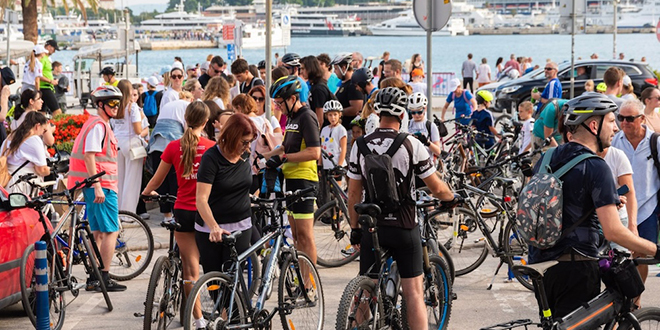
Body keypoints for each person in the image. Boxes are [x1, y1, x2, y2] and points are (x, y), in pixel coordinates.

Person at [529, 93, 659, 319]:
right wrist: (654, 249)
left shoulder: (548, 157)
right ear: (593, 125)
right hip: (576, 266)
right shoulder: (596, 166)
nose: (616, 128)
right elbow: (613, 231)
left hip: (541, 262)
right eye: (611, 121)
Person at [346, 86, 456, 330]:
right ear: (403, 115)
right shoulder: (411, 144)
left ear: (377, 112)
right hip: (404, 225)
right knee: (414, 292)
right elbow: (436, 187)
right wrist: (450, 198)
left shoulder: (360, 144)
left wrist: (354, 228)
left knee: (366, 287)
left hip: (372, 226)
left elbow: (353, 192)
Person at [142, 101, 213, 327]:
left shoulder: (173, 147)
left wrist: (146, 193)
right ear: (205, 122)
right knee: (210, 266)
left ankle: (199, 321)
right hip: (205, 212)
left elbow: (158, 179)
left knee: (189, 269)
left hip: (182, 210)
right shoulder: (211, 147)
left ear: (185, 120)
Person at [68, 85, 127, 292]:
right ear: (100, 104)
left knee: (99, 233)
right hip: (101, 187)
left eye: (118, 103)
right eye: (112, 103)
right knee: (112, 230)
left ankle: (95, 277)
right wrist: (97, 185)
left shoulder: (98, 124)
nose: (116, 106)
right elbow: (89, 155)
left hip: (97, 186)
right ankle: (103, 277)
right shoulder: (99, 126)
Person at [260, 76, 321, 265]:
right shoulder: (293, 118)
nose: (277, 107)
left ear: (292, 99)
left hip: (304, 180)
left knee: (305, 235)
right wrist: (262, 158)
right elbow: (284, 147)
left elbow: (314, 152)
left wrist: (285, 158)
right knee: (295, 234)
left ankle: (310, 282)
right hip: (290, 180)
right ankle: (301, 278)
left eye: (279, 103)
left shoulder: (307, 116)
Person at [611, 99, 660, 306]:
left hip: (648, 207)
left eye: (629, 119)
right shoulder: (616, 141)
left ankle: (636, 299)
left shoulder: (655, 142)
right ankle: (621, 297)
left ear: (642, 119)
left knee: (641, 255)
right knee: (620, 255)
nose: (624, 123)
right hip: (621, 207)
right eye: (621, 118)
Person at [195, 112, 255, 274]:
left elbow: (243, 185)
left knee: (233, 281)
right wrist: (214, 227)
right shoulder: (211, 158)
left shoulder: (245, 155)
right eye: (244, 142)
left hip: (241, 226)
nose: (248, 147)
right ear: (232, 137)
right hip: (211, 229)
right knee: (214, 283)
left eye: (250, 142)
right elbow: (201, 199)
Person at [148, 91, 194, 222]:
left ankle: (166, 214)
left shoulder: (170, 105)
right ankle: (175, 213)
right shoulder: (187, 106)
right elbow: (187, 129)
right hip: (173, 142)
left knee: (162, 180)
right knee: (175, 180)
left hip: (157, 143)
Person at [1, 111, 54, 195]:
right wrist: (49, 170)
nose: (42, 134)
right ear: (37, 126)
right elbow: (41, 169)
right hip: (22, 187)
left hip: (6, 184)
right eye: (44, 131)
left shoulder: (10, 137)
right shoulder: (34, 139)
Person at [112, 80, 145, 213]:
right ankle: (128, 214)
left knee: (119, 180)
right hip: (131, 144)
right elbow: (137, 130)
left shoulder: (115, 107)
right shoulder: (132, 107)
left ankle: (118, 211)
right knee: (132, 181)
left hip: (117, 143)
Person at [333, 53, 364, 135]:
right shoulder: (344, 83)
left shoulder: (352, 85)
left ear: (343, 68)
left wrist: (336, 113)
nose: (334, 71)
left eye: (336, 69)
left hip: (350, 130)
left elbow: (356, 108)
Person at [301, 55, 333, 127]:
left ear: (310, 69)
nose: (301, 72)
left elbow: (320, 119)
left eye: (303, 69)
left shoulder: (318, 88)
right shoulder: (315, 85)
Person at [408, 92, 441, 160]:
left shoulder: (430, 126)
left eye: (419, 112)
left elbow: (438, 151)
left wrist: (427, 142)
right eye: (413, 112)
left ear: (425, 109)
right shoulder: (407, 125)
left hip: (426, 163)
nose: (416, 115)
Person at [320, 100, 347, 170]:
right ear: (326, 115)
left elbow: (343, 149)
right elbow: (321, 148)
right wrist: (319, 164)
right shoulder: (324, 130)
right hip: (326, 166)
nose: (333, 117)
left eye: (335, 114)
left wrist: (339, 165)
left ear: (339, 115)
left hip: (336, 165)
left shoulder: (341, 129)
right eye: (330, 115)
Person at [39, 40, 62, 116]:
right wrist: (50, 81)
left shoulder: (46, 58)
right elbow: (38, 74)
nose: (54, 51)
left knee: (42, 113)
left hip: (46, 86)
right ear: (49, 47)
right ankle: (59, 126)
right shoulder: (42, 58)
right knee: (57, 111)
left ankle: (42, 127)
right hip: (45, 87)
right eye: (54, 49)